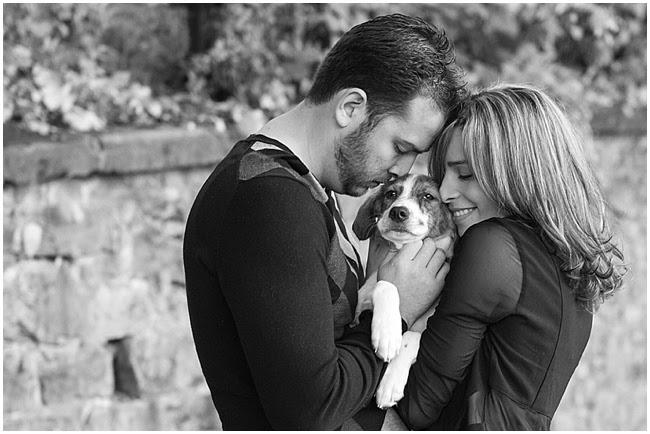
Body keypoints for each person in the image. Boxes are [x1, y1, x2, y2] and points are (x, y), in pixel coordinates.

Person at [182, 14, 466, 430]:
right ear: (351, 108)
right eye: (400, 147)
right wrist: (399, 308)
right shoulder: (269, 200)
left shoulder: (302, 186)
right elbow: (309, 411)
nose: (401, 170)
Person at [383, 84, 626, 430]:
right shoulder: (568, 262)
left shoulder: (491, 245)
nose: (446, 192)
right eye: (442, 176)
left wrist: (395, 301)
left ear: (515, 172)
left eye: (464, 174)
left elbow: (416, 407)